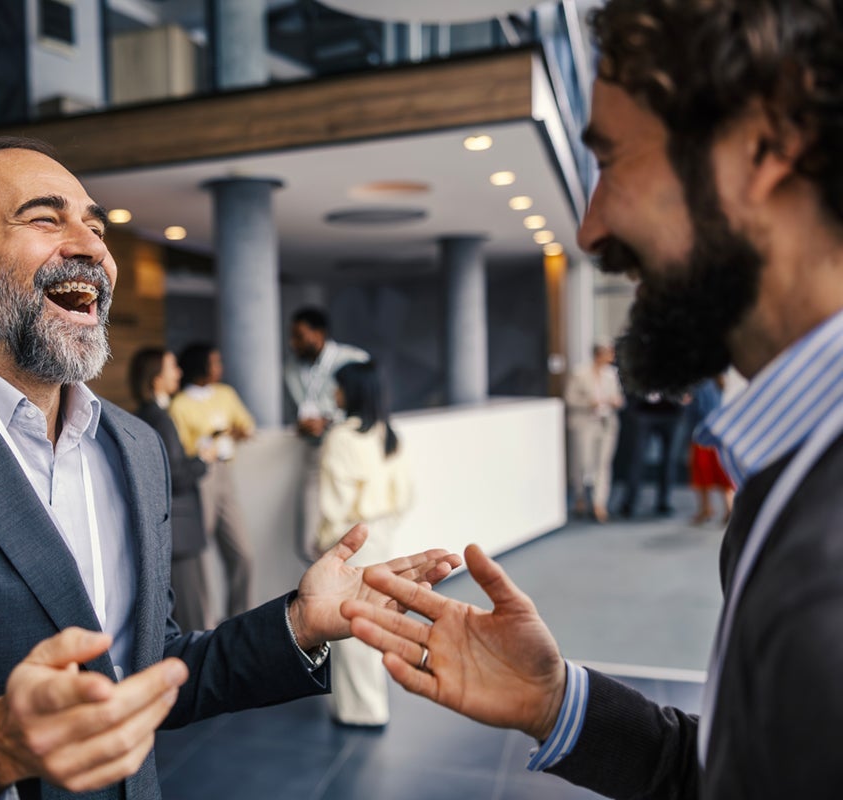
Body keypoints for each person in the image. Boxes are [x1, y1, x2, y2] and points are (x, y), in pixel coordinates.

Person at [0, 137, 463, 800]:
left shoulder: (134, 447)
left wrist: (298, 622)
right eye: (46, 218)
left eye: (95, 225)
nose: (92, 244)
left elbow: (147, 669)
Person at [342, 1, 843, 797]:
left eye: (610, 159)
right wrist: (556, 703)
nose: (590, 227)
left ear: (765, 145)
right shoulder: (784, 484)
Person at [317, 361, 412, 727]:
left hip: (350, 539)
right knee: (371, 619)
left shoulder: (341, 437)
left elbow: (333, 503)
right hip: (381, 537)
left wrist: (326, 542)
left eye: (338, 387)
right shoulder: (388, 434)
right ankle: (368, 705)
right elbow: (405, 495)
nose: (335, 393)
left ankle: (360, 711)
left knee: (350, 625)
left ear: (351, 391)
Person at [167, 343, 255, 622]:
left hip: (225, 475)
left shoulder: (225, 394)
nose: (220, 368)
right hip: (200, 479)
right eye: (214, 362)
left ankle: (239, 619)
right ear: (200, 366)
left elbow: (247, 425)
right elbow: (179, 452)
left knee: (243, 554)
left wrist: (238, 431)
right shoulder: (179, 405)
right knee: (198, 557)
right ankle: (203, 625)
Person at [129, 346, 212, 631]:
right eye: (172, 368)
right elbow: (175, 476)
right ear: (156, 379)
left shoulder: (143, 415)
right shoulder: (161, 418)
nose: (178, 373)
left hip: (171, 531)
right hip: (180, 530)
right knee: (191, 620)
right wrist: (202, 460)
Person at [284, 307, 369, 562]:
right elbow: (299, 408)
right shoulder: (291, 368)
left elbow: (366, 406)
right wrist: (302, 425)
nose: (293, 343)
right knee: (308, 541)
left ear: (319, 333)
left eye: (299, 335)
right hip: (315, 453)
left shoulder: (353, 359)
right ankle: (334, 588)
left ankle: (346, 594)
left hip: (347, 453)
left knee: (349, 534)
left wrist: (329, 421)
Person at [563, 342, 624, 522]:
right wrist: (589, 403)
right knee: (583, 463)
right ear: (598, 354)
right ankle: (580, 497)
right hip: (585, 423)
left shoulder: (611, 375)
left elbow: (619, 397)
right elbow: (570, 398)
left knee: (603, 464)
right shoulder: (580, 373)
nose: (611, 356)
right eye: (608, 352)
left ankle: (599, 504)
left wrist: (616, 401)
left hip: (606, 423)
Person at [617, 389, 685, 517]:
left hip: (671, 412)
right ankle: (629, 502)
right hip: (643, 411)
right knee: (637, 459)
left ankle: (664, 501)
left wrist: (684, 393)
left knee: (669, 461)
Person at [687, 374, 736, 525]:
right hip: (720, 433)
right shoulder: (719, 382)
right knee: (721, 474)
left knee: (702, 474)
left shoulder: (702, 383)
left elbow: (700, 410)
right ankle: (727, 509)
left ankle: (706, 508)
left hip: (703, 434)